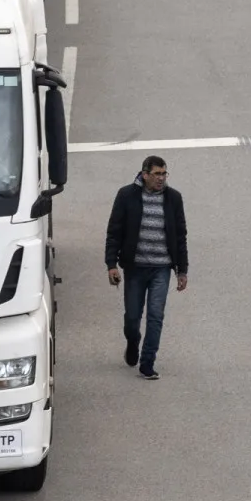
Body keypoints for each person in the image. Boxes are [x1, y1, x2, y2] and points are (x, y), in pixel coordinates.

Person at [105, 155, 188, 380]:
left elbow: (180, 236)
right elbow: (114, 232)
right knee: (133, 317)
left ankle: (147, 362)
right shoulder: (126, 196)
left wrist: (182, 270)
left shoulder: (173, 199)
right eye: (157, 174)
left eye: (164, 173)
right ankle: (133, 342)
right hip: (135, 268)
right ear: (144, 174)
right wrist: (111, 264)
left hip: (161, 268)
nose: (161, 178)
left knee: (155, 315)